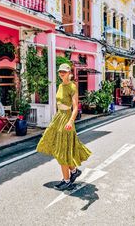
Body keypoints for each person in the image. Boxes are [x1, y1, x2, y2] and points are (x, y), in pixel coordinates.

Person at [37, 63, 91, 191]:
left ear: (69, 73)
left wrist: (70, 121)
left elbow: (75, 107)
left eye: (64, 72)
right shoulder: (60, 85)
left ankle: (67, 180)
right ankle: (74, 171)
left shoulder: (72, 86)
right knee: (55, 145)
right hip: (59, 118)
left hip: (67, 119)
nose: (61, 73)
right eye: (60, 71)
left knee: (62, 150)